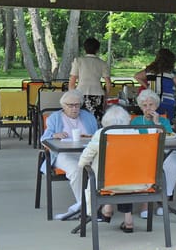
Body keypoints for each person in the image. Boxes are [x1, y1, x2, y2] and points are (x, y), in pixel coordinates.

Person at [76, 106, 142, 233]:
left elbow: (86, 157)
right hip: (134, 181)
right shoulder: (136, 133)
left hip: (106, 183)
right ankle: (127, 219)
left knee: (110, 176)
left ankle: (107, 210)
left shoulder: (101, 134)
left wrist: (82, 165)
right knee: (124, 175)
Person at [39, 90, 99, 220]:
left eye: (77, 105)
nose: (74, 108)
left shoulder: (88, 116)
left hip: (86, 153)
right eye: (70, 105)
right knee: (77, 169)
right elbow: (44, 139)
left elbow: (97, 135)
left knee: (99, 168)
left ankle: (83, 207)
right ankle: (87, 208)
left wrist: (90, 136)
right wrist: (55, 135)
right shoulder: (55, 118)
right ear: (63, 106)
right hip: (63, 154)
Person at [129, 90, 176, 219]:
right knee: (145, 164)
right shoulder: (136, 122)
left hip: (163, 151)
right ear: (141, 107)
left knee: (173, 161)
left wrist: (157, 123)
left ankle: (164, 200)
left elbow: (168, 137)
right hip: (142, 154)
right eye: (145, 105)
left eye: (151, 105)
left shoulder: (163, 121)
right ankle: (145, 204)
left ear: (156, 106)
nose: (148, 108)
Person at [134, 49, 176, 119]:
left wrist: (147, 86)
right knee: (166, 123)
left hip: (151, 102)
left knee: (151, 122)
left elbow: (137, 76)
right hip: (166, 102)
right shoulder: (171, 72)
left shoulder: (150, 70)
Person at [69, 37, 112, 119]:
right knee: (97, 119)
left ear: (84, 48)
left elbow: (72, 81)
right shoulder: (102, 63)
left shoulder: (78, 61)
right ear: (97, 49)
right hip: (98, 94)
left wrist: (71, 96)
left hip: (80, 93)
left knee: (80, 119)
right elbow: (108, 84)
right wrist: (106, 95)